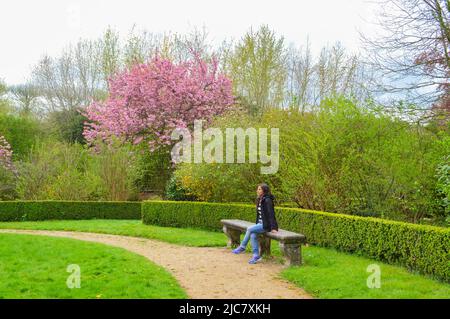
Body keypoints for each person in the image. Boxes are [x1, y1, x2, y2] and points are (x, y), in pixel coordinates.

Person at [232, 183, 279, 264]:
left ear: (264, 190)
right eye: (258, 189)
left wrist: (273, 227)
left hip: (266, 225)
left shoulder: (267, 200)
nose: (257, 190)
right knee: (253, 235)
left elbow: (271, 214)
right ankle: (256, 255)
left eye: (259, 189)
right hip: (260, 224)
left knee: (249, 229)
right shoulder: (260, 199)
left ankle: (242, 247)